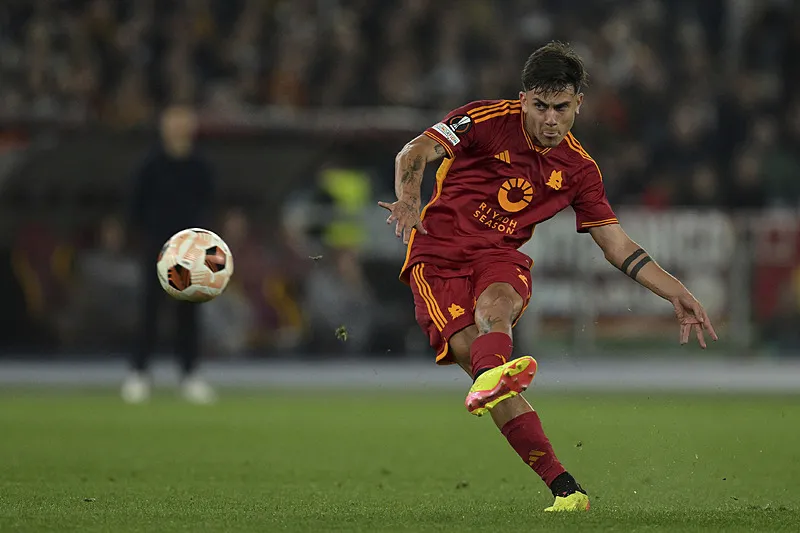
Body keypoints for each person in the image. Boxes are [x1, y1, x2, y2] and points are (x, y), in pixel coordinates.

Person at [378, 41, 718, 512]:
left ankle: (492, 374)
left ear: (579, 104)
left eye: (561, 108)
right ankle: (564, 485)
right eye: (540, 106)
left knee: (498, 306)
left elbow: (616, 245)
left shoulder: (580, 170)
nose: (551, 120)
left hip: (498, 255)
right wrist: (409, 199)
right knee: (489, 374)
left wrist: (674, 290)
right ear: (523, 100)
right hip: (437, 260)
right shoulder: (484, 119)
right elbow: (414, 151)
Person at [122, 104, 218, 404]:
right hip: (157, 249)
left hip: (192, 252)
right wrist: (148, 241)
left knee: (189, 314)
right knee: (149, 312)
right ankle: (139, 373)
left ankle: (189, 374)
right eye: (173, 121)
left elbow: (208, 206)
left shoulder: (201, 166)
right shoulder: (150, 164)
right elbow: (135, 207)